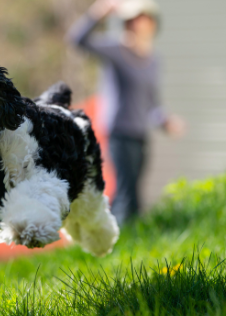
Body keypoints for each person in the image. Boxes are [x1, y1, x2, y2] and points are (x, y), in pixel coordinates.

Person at [67, 0, 185, 225]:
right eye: (132, 19)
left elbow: (152, 105)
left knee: (129, 190)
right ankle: (123, 240)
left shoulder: (153, 61)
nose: (137, 23)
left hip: (141, 134)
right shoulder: (117, 50)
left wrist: (166, 121)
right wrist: (99, 13)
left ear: (152, 22)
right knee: (128, 191)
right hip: (119, 131)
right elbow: (77, 40)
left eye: (142, 17)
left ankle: (102, 230)